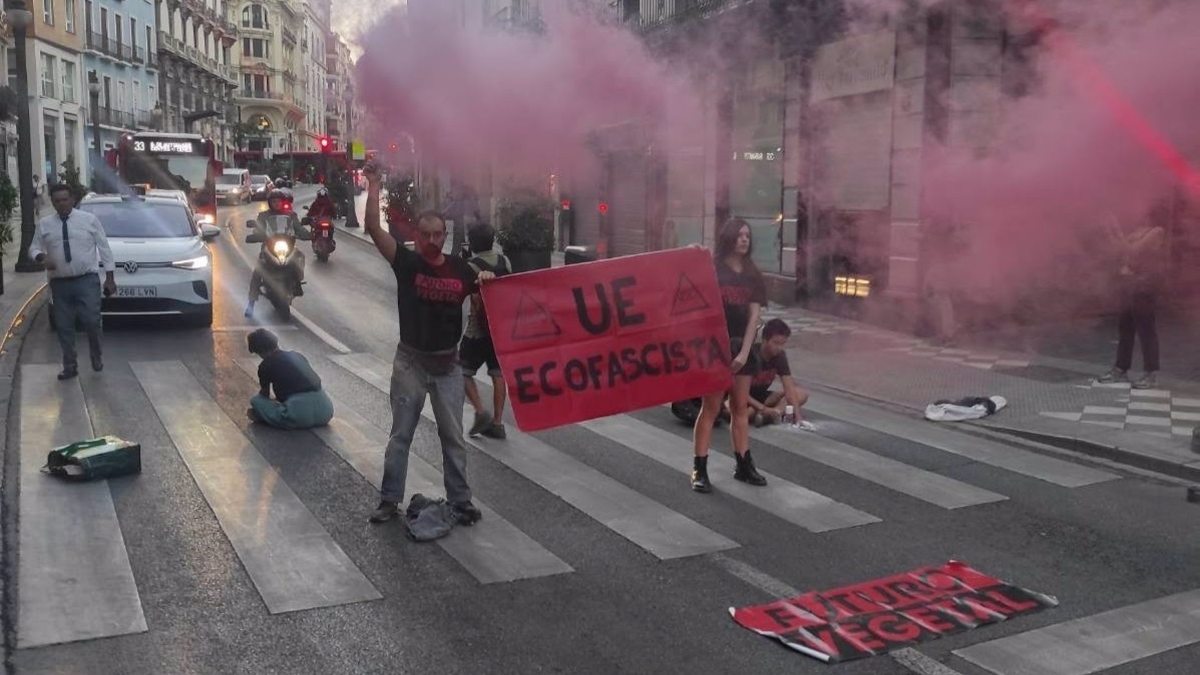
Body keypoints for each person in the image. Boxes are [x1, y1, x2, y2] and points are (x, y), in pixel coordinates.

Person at [360, 161, 497, 526]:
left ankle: (461, 501)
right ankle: (390, 500)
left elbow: (493, 289)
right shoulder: (405, 262)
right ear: (417, 237)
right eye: (426, 235)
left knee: (453, 437)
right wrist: (373, 184)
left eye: (439, 234)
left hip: (448, 366)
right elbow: (373, 227)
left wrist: (485, 277)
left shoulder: (460, 269)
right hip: (411, 364)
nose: (433, 240)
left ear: (445, 234)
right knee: (400, 435)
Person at [691, 218, 768, 492]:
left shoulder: (753, 274)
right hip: (714, 348)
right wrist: (691, 253)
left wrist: (745, 353)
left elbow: (754, 317)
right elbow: (688, 281)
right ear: (729, 238)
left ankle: (744, 465)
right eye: (739, 235)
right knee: (710, 409)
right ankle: (699, 469)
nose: (744, 239)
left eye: (747, 235)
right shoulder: (713, 268)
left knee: (739, 409)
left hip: (742, 348)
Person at [29, 183, 116, 380]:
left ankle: (96, 354)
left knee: (92, 322)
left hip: (86, 280)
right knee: (64, 326)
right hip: (60, 283)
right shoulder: (45, 224)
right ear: (52, 202)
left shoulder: (89, 220)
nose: (61, 204)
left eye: (65, 199)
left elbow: (104, 248)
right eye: (57, 201)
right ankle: (70, 365)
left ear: (73, 200)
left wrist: (110, 278)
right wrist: (42, 257)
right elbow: (33, 248)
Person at [1097, 213, 1164, 389]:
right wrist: (1111, 231)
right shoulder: (1135, 232)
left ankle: (1151, 373)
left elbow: (1132, 250)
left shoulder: (1156, 231)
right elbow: (1120, 250)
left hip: (1144, 286)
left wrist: (1117, 232)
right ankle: (1121, 369)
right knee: (1125, 329)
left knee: (1145, 330)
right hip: (1129, 285)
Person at [460, 223, 511, 440]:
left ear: (472, 243)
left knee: (460, 370)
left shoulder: (471, 266)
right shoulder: (504, 261)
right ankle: (498, 423)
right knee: (498, 374)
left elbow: (467, 295)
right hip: (500, 328)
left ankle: (480, 411)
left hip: (477, 330)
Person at [246, 329, 334, 429]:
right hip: (325, 410)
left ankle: (265, 416)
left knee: (256, 401)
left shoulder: (265, 366)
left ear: (259, 351)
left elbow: (264, 395)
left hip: (299, 414)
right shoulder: (297, 356)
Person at [245, 188, 308, 317]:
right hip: (268, 247)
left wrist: (308, 235)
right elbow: (258, 229)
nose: (276, 204)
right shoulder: (264, 216)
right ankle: (251, 304)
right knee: (258, 271)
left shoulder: (291, 215)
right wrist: (256, 235)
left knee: (299, 256)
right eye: (273, 201)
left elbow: (298, 228)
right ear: (269, 203)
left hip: (287, 246)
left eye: (278, 201)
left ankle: (297, 283)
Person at [746, 319, 814, 430]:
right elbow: (739, 392)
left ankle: (773, 414)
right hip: (743, 398)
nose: (779, 348)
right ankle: (763, 413)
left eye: (782, 344)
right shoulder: (751, 356)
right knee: (745, 413)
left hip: (763, 397)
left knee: (801, 393)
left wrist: (798, 417)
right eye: (776, 343)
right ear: (764, 340)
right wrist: (762, 408)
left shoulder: (780, 356)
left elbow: (789, 387)